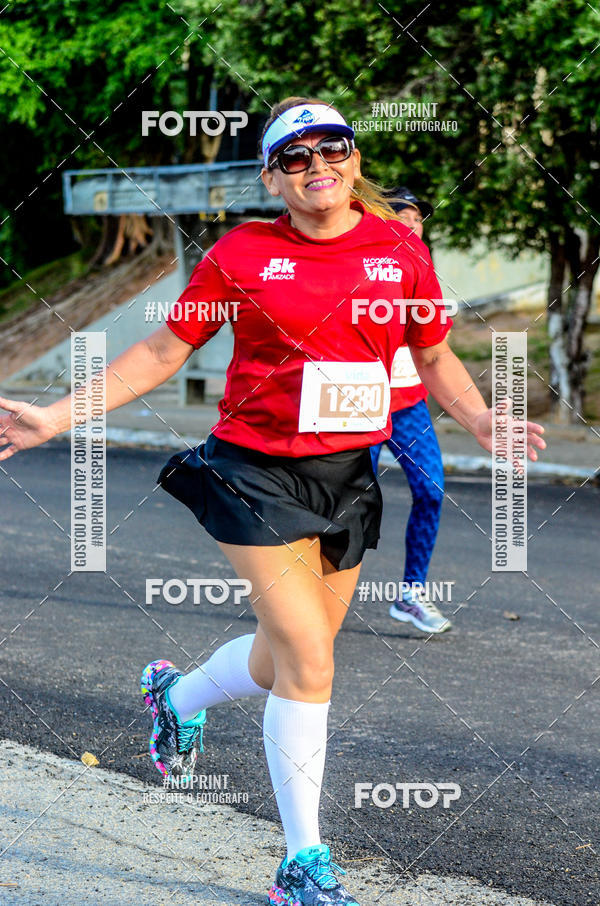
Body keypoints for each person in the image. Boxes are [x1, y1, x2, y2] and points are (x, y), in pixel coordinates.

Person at [0, 96, 546, 906]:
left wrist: (481, 420)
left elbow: (433, 358)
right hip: (251, 470)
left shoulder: (400, 249)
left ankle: (175, 697)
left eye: (332, 149)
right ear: (272, 175)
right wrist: (54, 413)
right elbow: (159, 351)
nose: (316, 165)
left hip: (348, 476)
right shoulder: (243, 253)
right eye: (295, 156)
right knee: (311, 656)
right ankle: (303, 863)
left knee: (285, 655)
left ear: (356, 162)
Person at [370, 186, 451, 634]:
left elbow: (437, 346)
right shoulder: (358, 264)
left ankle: (411, 593)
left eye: (418, 218)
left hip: (407, 402)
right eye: (402, 216)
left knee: (432, 490)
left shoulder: (422, 267)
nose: (412, 224)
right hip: (356, 404)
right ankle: (311, 596)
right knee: (346, 504)